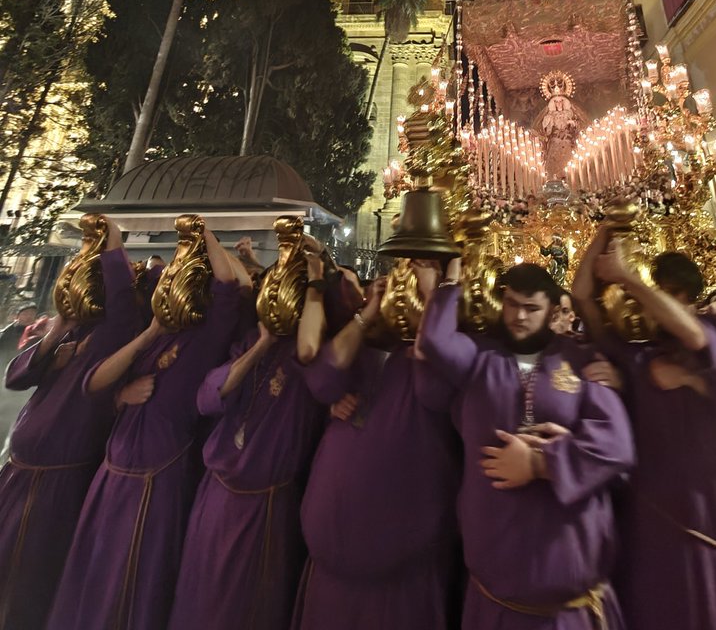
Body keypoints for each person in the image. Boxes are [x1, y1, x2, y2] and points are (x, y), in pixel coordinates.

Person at [573, 234, 716, 630]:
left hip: (710, 501)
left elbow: (696, 339)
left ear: (684, 297)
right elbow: (582, 296)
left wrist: (630, 279)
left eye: (664, 295)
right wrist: (604, 231)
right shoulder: (636, 351)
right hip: (652, 501)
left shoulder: (708, 333)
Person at [418, 259, 635, 629]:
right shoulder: (480, 358)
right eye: (513, 304)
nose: (519, 316)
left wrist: (542, 463)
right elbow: (436, 342)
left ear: (551, 309)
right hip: (495, 588)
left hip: (570, 595)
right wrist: (449, 280)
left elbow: (616, 444)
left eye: (531, 308)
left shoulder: (579, 359)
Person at [47, 223, 243, 630]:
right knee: (94, 571)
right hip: (112, 473)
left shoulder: (207, 338)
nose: (168, 285)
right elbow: (94, 383)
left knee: (135, 578)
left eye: (177, 278)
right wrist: (144, 346)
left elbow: (228, 284)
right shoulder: (150, 336)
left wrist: (204, 234)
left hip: (157, 479)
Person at [168, 236, 329, 630]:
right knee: (200, 596)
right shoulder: (244, 343)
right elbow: (209, 398)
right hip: (217, 495)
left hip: (266, 509)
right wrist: (261, 345)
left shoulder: (307, 355)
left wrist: (319, 269)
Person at [294, 264, 460, 630]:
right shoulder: (359, 351)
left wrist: (434, 299)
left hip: (400, 574)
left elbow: (442, 382)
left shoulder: (422, 357)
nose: (391, 298)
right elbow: (321, 379)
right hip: (331, 564)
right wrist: (366, 315)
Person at [0, 222, 137, 630]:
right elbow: (16, 378)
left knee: (29, 578)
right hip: (17, 471)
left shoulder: (115, 331)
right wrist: (56, 327)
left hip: (58, 482)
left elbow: (124, 296)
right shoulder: (69, 330)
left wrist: (111, 242)